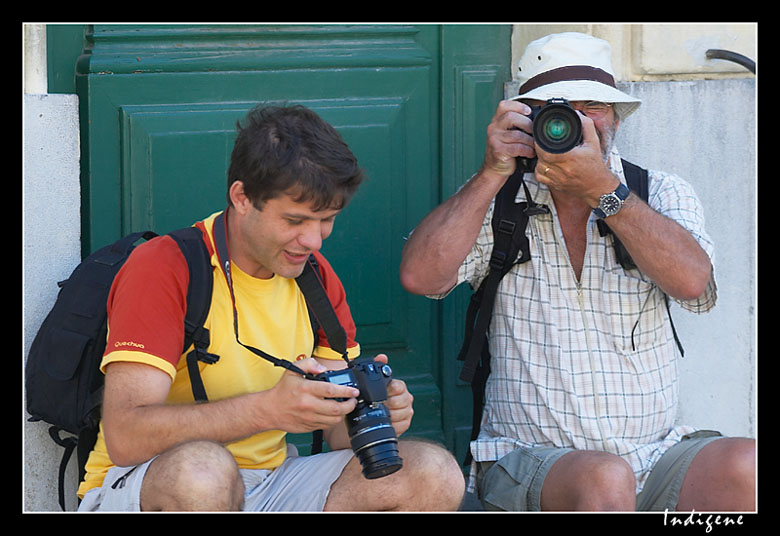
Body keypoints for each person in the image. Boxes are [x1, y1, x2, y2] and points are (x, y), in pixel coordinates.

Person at [399, 32, 755, 512]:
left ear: (616, 117)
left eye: (594, 107)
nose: (579, 122)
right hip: (530, 459)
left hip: (654, 454)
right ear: (526, 119)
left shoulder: (659, 192)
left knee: (746, 465)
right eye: (558, 109)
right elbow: (421, 278)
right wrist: (490, 173)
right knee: (604, 480)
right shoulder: (497, 199)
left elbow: (696, 288)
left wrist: (605, 192)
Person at [77, 104, 465, 512]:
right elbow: (126, 437)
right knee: (202, 473)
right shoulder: (165, 266)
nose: (314, 240)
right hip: (149, 481)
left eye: (327, 220)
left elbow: (336, 433)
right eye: (295, 220)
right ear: (242, 197)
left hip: (272, 481)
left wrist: (378, 415)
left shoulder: (315, 276)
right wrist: (267, 410)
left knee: (433, 473)